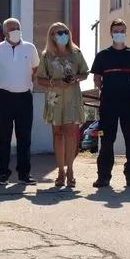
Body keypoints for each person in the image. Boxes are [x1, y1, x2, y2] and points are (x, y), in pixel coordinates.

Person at [90, 19, 130, 188]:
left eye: (122, 31)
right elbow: (97, 79)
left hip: (129, 103)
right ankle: (103, 177)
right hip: (108, 104)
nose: (119, 34)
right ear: (111, 33)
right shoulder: (102, 56)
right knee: (107, 140)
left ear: (126, 32)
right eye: (116, 31)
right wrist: (107, 91)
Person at [35, 22, 89, 188]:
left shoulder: (76, 53)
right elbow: (40, 79)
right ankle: (60, 171)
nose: (63, 35)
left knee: (71, 134)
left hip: (72, 98)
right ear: (52, 36)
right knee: (58, 134)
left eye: (65, 32)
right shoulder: (46, 56)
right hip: (55, 98)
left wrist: (76, 78)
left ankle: (70, 170)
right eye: (59, 33)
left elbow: (85, 72)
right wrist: (55, 82)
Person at [0, 18, 40, 186]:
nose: (15, 30)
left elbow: (36, 68)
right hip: (4, 98)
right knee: (4, 137)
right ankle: (3, 173)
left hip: (24, 97)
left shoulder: (30, 48)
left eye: (17, 27)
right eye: (11, 28)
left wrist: (28, 82)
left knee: (24, 137)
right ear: (4, 31)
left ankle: (24, 174)